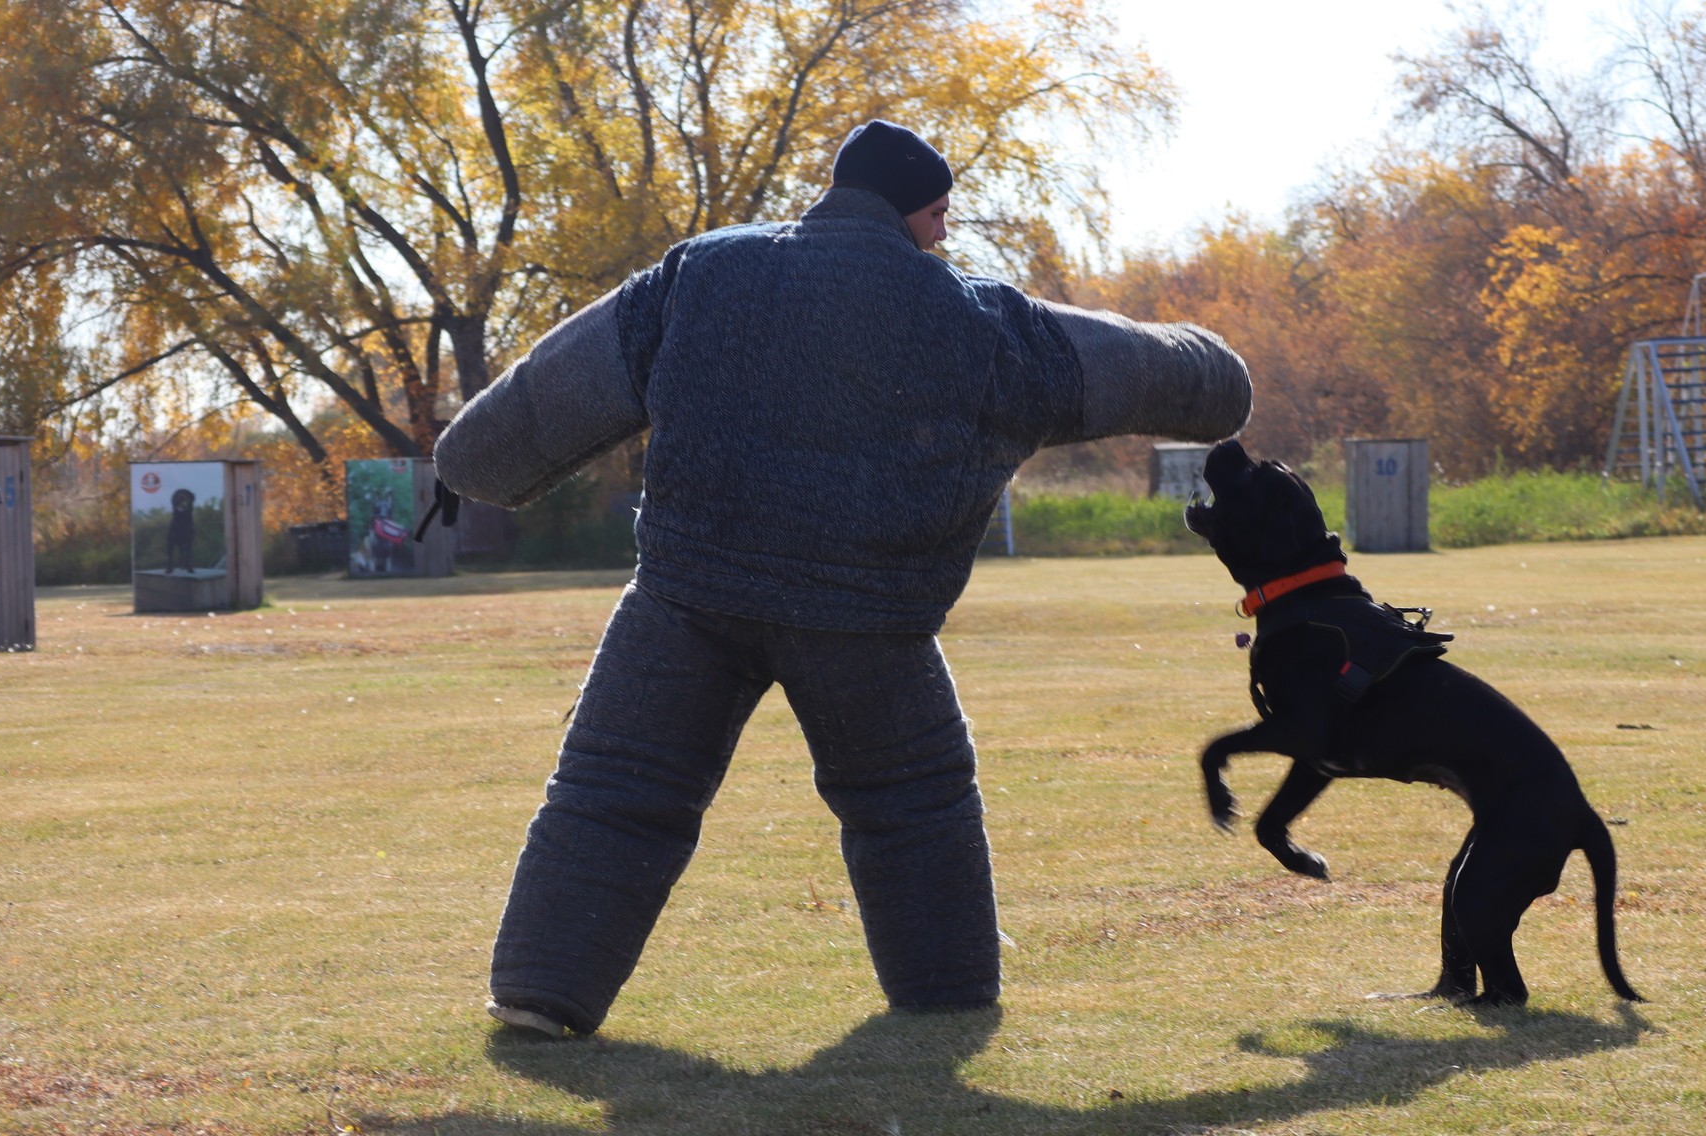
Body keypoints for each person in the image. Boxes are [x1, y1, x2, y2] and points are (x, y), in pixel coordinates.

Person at [434, 120, 1252, 1038]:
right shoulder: (984, 322)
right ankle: (944, 1001)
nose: (944, 234)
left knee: (615, 787)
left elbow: (546, 393)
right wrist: (1218, 375)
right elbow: (1140, 365)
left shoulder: (699, 273)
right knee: (913, 805)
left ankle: (541, 992)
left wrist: (470, 466)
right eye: (938, 214)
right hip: (869, 623)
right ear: (908, 208)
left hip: (686, 597)